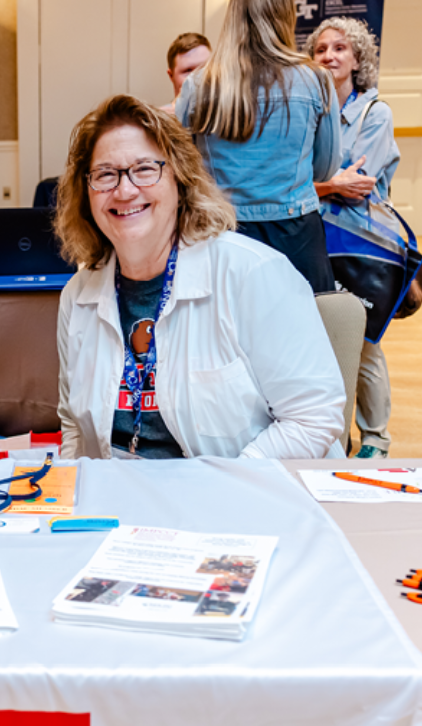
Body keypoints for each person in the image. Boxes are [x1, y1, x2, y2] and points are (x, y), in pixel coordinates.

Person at [53, 95, 345, 462]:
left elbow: (313, 417)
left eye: (144, 169)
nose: (124, 190)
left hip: (246, 502)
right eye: (105, 175)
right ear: (87, 191)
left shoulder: (252, 274)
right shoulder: (78, 296)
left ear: (180, 178)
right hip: (124, 506)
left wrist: (217, 493)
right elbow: (73, 427)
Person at [175, 0, 341, 294]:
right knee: (301, 333)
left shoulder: (199, 84)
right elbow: (325, 169)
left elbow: (183, 170)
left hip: (222, 233)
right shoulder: (316, 80)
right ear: (286, 16)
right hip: (296, 235)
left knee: (224, 335)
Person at [307, 16, 400, 459]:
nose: (329, 56)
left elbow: (358, 179)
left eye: (339, 48)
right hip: (314, 239)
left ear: (357, 58)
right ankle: (335, 435)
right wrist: (329, 183)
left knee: (364, 341)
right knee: (323, 336)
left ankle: (376, 440)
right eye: (321, 49)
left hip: (360, 244)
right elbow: (314, 178)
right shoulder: (308, 107)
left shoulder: (375, 113)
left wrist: (319, 183)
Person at [162, 31, 211, 113]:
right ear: (171, 75)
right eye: (188, 71)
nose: (199, 78)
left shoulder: (227, 119)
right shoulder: (158, 122)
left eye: (205, 68)